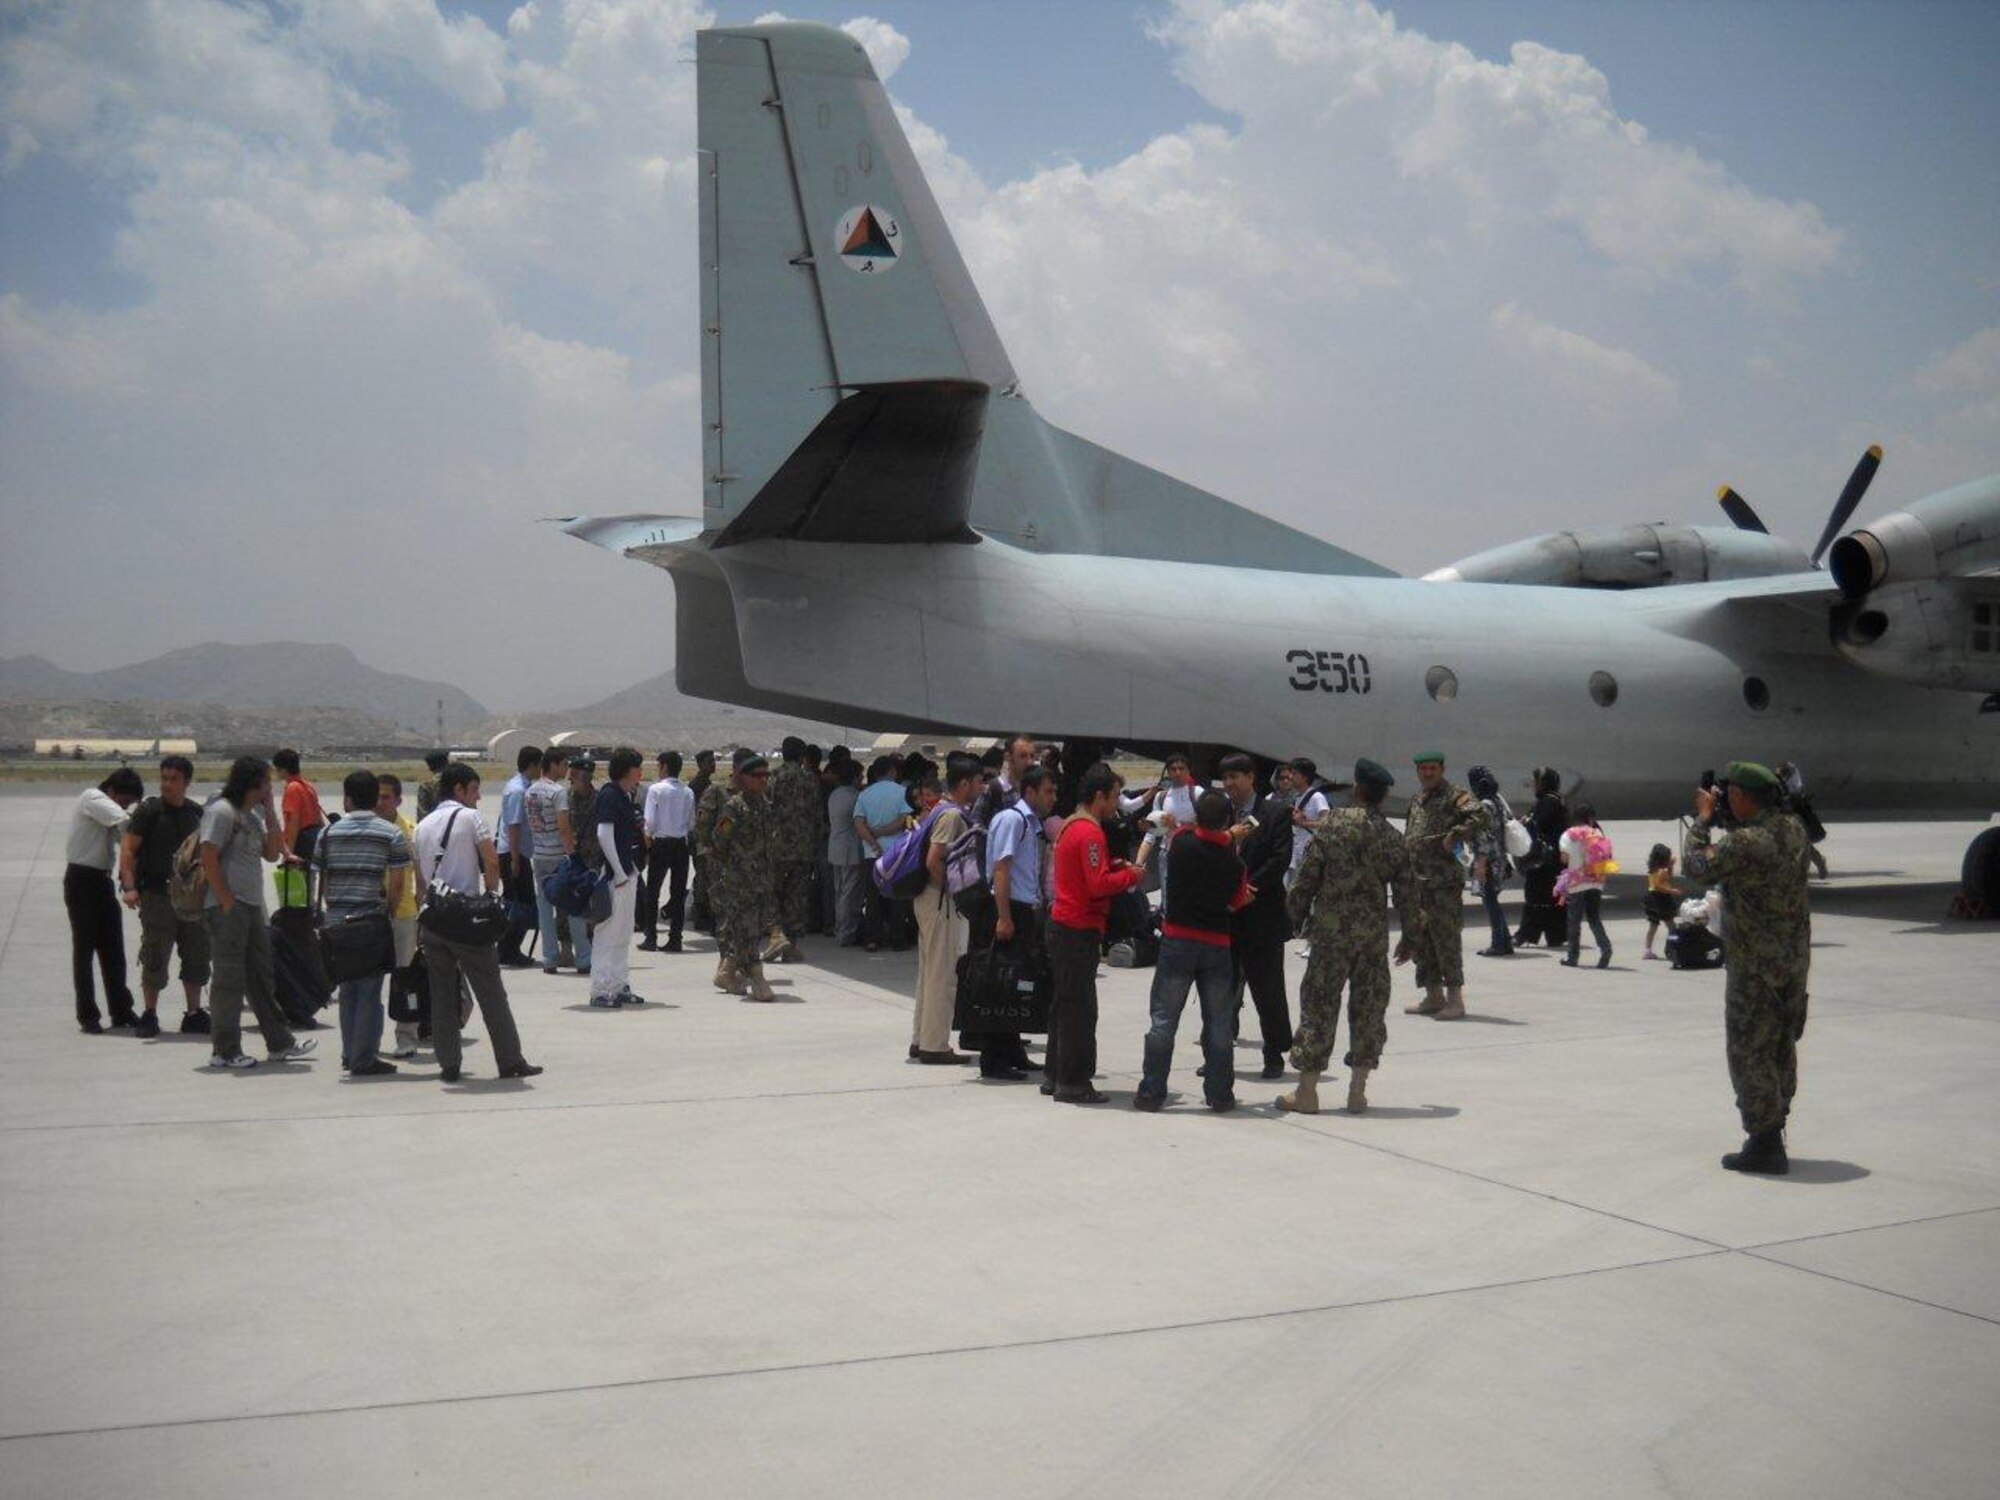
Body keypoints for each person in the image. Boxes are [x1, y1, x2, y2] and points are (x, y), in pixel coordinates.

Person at [1684, 762, 1811, 1174]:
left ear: (1742, 798)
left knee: (1749, 1048)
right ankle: (1775, 1125)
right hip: (1791, 960)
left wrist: (1703, 820)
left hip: (1755, 963)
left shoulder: (1746, 842)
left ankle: (1765, 1141)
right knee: (1779, 1043)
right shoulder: (1793, 829)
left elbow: (1697, 867)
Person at [1283, 759, 1417, 1115]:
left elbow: (1305, 879)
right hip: (1372, 938)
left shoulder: (1333, 826)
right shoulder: (1391, 837)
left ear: (1357, 790)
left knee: (1319, 1007)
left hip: (1330, 936)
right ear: (1383, 796)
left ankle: (1307, 1092)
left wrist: (1294, 916)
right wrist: (1411, 937)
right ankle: (1357, 1091)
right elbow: (1407, 892)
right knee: (1369, 1010)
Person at [412, 763, 542, 1083]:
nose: (479, 796)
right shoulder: (470, 818)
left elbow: (419, 884)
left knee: (442, 996)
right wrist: (493, 895)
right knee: (491, 992)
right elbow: (492, 858)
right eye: (474, 789)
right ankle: (510, 1060)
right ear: (459, 789)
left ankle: (449, 1064)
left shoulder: (421, 826)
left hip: (434, 920)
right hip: (466, 919)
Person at [1135, 788, 1252, 1112]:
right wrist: (1232, 837)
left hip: (1178, 941)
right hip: (1216, 944)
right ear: (1227, 820)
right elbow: (1237, 901)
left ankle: (1151, 1091)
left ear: (1197, 816)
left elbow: (1184, 831)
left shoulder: (1181, 843)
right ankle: (1219, 1094)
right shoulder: (1234, 862)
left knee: (1163, 1019)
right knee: (1218, 1023)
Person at [198, 756, 317, 1069]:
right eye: (266, 781)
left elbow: (272, 852)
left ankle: (279, 1043)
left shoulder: (252, 816)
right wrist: (225, 900)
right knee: (228, 979)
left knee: (261, 975)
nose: (271, 785)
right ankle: (224, 1049)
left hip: (250, 907)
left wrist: (272, 815)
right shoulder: (222, 811)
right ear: (254, 782)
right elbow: (208, 853)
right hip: (229, 907)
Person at [1044, 762, 1150, 1104]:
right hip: (1077, 928)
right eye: (1116, 796)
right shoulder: (1089, 832)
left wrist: (1117, 866)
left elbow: (1093, 872)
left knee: (1064, 1004)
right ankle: (1073, 1082)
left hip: (1065, 924)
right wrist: (1132, 876)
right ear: (1099, 796)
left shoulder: (1071, 826)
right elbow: (1098, 884)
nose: (1118, 803)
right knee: (1080, 1009)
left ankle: (1055, 1074)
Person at [312, 768, 411, 1075]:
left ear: (348, 798)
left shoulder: (327, 833)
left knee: (348, 990)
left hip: (338, 921)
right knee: (369, 991)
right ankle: (363, 1057)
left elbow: (322, 879)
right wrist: (390, 913)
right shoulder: (390, 833)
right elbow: (397, 883)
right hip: (371, 920)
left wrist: (334, 908)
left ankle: (348, 1051)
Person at [967, 763, 1056, 1079]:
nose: (1052, 797)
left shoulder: (1031, 824)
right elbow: (1001, 869)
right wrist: (1004, 917)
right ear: (1029, 791)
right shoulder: (1011, 819)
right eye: (1047, 791)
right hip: (1007, 908)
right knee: (1000, 982)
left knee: (1018, 982)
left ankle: (1013, 1050)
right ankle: (994, 1060)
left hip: (1022, 908)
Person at [118, 754, 209, 1037]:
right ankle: (150, 1013)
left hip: (192, 899)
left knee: (197, 955)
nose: (167, 785)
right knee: (155, 954)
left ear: (187, 782)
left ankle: (194, 1013)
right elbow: (128, 850)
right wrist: (130, 886)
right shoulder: (149, 812)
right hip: (157, 895)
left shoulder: (197, 814)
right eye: (164, 778)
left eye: (174, 779)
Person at [1219, 752, 1295, 1079]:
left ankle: (1275, 1052)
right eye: (1225, 779)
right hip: (1226, 917)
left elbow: (1280, 858)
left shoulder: (1274, 812)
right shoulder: (1221, 814)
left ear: (1251, 777)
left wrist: (1248, 889)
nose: (1230, 784)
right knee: (1220, 990)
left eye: (1235, 777)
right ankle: (1218, 1052)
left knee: (1268, 990)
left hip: (1261, 914)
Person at [1402, 751, 1490, 1021]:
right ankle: (1433, 994)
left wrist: (1456, 833)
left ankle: (1455, 1000)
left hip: (1443, 884)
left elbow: (1480, 815)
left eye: (1432, 768)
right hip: (1419, 883)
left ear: (1441, 769)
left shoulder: (1455, 795)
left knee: (1446, 940)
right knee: (1422, 940)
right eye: (1423, 769)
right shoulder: (1417, 799)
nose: (1427, 773)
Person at [910, 754, 982, 1065]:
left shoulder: (939, 810)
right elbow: (934, 859)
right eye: (978, 781)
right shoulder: (951, 816)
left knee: (929, 973)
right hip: (940, 901)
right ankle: (935, 1046)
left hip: (929, 900)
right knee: (943, 975)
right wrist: (954, 891)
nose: (981, 787)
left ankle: (921, 1038)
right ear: (964, 784)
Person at [66, 767, 143, 1033]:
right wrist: (147, 821)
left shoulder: (109, 808)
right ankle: (88, 1016)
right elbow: (127, 823)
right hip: (81, 880)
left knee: (113, 950)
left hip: (101, 881)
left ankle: (120, 1010)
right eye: (125, 799)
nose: (127, 805)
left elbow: (127, 844)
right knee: (84, 951)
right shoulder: (93, 798)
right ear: (112, 791)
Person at [711, 754, 781, 1002]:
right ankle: (757, 977)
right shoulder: (734, 807)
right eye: (757, 776)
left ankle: (727, 971)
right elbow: (719, 840)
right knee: (746, 930)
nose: (763, 780)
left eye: (766, 776)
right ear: (744, 778)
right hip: (739, 882)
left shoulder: (766, 806)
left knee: (750, 930)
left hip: (762, 880)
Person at [375, 774, 428, 1060]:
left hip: (404, 915)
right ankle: (366, 1039)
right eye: (376, 796)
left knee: (405, 978)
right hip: (370, 916)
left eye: (385, 797)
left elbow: (421, 880)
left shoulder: (410, 830)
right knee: (368, 979)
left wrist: (420, 914)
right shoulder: (365, 830)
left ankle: (407, 1037)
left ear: (397, 800)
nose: (380, 802)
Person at [591, 747, 647, 1008]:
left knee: (623, 933)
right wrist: (620, 873)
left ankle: (619, 984)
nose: (641, 773)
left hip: (626, 872)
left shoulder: (623, 795)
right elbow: (604, 834)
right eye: (637, 767)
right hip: (615, 876)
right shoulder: (610, 795)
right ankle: (600, 989)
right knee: (608, 933)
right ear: (627, 770)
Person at [698, 749, 752, 988]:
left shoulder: (755, 795)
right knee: (725, 916)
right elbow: (703, 826)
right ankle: (726, 965)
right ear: (738, 768)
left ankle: (733, 965)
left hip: (748, 866)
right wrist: (710, 851)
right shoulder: (719, 793)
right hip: (722, 863)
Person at [855, 754, 915, 952]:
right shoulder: (902, 792)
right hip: (897, 854)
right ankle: (898, 939)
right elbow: (905, 820)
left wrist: (874, 841)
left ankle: (872, 938)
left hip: (872, 854)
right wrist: (885, 832)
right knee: (897, 898)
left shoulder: (864, 795)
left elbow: (859, 824)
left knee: (872, 899)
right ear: (892, 771)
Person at [767, 736, 820, 960]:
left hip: (777, 846)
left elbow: (765, 809)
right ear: (802, 756)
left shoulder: (774, 778)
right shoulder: (810, 779)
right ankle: (792, 944)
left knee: (773, 894)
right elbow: (817, 815)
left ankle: (776, 936)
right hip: (803, 846)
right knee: (796, 896)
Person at [641, 750, 694, 953]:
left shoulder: (656, 789)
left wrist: (648, 843)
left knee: (652, 893)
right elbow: (691, 823)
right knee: (678, 894)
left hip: (661, 844)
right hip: (680, 844)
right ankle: (675, 938)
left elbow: (650, 822)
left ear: (664, 766)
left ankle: (651, 937)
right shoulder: (688, 791)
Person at [494, 745, 542, 968]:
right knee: (521, 905)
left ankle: (507, 949)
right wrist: (515, 859)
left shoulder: (522, 786)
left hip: (517, 852)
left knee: (520, 903)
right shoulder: (518, 791)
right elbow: (512, 826)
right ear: (532, 765)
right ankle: (507, 949)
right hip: (513, 853)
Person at [1513, 767, 1567, 948]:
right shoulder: (1555, 801)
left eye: (1537, 782)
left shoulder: (1549, 802)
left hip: (1545, 861)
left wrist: (1524, 822)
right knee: (1551, 898)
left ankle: (1526, 934)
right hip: (1553, 859)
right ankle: (1556, 935)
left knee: (1535, 897)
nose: (1534, 786)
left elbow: (1538, 824)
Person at [1557, 803, 1614, 969]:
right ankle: (1605, 949)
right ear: (1590, 818)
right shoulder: (1598, 833)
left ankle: (1572, 956)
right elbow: (1607, 857)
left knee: (1574, 920)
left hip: (1577, 883)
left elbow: (1564, 859)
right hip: (1596, 881)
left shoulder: (1568, 834)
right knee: (1594, 917)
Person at [1467, 765, 1516, 957]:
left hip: (1489, 861)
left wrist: (1480, 863)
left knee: (1490, 903)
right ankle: (1505, 942)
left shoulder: (1484, 805)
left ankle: (1498, 943)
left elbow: (1483, 836)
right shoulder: (1497, 801)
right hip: (1499, 858)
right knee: (1493, 901)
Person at [272, 748, 326, 905]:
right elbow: (318, 817)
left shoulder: (292, 789)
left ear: (282, 769)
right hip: (313, 841)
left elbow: (293, 823)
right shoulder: (308, 786)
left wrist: (287, 852)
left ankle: (301, 921)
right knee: (309, 886)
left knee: (297, 889)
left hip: (301, 842)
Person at [561, 756, 600, 971]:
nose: (571, 778)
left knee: (589, 907)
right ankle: (566, 948)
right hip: (570, 859)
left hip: (591, 861)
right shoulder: (565, 798)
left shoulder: (599, 799)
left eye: (575, 775)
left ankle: (588, 947)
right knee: (565, 905)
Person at [825, 759, 866, 946]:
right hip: (850, 849)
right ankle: (846, 931)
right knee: (849, 893)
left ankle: (841, 928)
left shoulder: (835, 794)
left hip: (835, 847)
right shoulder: (854, 797)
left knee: (840, 890)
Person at [687, 749, 717, 932]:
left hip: (702, 838)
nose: (713, 764)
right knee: (703, 879)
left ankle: (702, 915)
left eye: (714, 761)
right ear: (700, 765)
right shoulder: (698, 785)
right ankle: (701, 916)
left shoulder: (705, 783)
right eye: (709, 762)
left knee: (703, 877)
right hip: (700, 839)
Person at [1643, 843, 1683, 960]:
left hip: (1652, 899)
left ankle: (1647, 949)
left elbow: (1667, 877)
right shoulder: (1660, 871)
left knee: (1653, 926)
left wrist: (1670, 866)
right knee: (1672, 926)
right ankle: (1672, 947)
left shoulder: (1654, 870)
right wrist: (1671, 891)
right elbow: (1658, 885)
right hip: (1661, 899)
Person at [415, 748, 450, 819]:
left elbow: (422, 813)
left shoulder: (426, 786)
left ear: (430, 767)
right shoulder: (457, 782)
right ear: (446, 763)